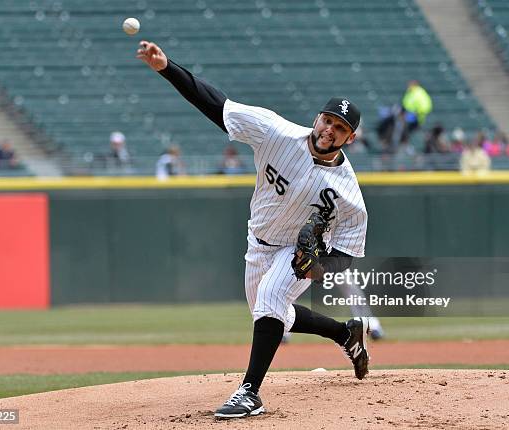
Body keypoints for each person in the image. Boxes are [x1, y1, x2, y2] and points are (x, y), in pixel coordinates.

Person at [137, 40, 370, 419]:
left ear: (350, 138)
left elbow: (349, 250)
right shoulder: (276, 133)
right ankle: (345, 334)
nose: (330, 129)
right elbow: (217, 105)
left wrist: (316, 267)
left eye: (340, 127)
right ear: (317, 118)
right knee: (273, 312)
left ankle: (250, 393)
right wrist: (167, 67)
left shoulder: (347, 191)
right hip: (257, 241)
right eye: (328, 119)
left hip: (295, 253)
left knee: (271, 302)